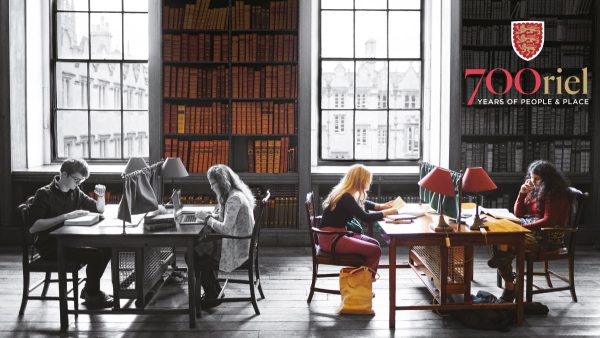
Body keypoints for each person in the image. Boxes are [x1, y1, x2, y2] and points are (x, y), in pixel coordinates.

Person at [27, 159, 113, 308]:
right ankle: (92, 294)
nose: (79, 183)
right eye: (76, 179)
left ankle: (89, 290)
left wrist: (100, 195)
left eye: (81, 180)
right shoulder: (43, 194)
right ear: (64, 174)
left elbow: (98, 209)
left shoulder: (75, 192)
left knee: (107, 247)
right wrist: (66, 216)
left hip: (70, 242)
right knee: (96, 255)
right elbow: (33, 228)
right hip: (50, 247)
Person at [489, 160, 571, 303]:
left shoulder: (555, 194)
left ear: (547, 179)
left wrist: (521, 229)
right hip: (532, 229)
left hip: (548, 236)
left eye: (537, 179)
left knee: (506, 243)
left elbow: (548, 221)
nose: (532, 182)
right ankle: (508, 279)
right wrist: (521, 194)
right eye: (531, 177)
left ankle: (509, 284)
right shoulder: (534, 190)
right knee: (500, 239)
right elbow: (518, 213)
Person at [193, 164, 256, 309]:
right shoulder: (235, 193)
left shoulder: (234, 199)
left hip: (237, 248)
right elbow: (227, 219)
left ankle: (211, 295)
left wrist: (207, 219)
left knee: (194, 255)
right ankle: (213, 290)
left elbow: (226, 228)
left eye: (212, 184)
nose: (211, 188)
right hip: (238, 241)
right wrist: (209, 216)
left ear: (221, 183)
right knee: (198, 249)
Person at [319, 164, 398, 277]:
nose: (368, 184)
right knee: (375, 250)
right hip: (332, 239)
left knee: (374, 244)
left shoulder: (344, 193)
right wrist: (387, 212)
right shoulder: (346, 197)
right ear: (360, 181)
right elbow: (365, 218)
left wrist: (381, 207)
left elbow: (362, 203)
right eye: (367, 180)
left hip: (334, 235)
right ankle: (364, 282)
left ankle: (362, 279)